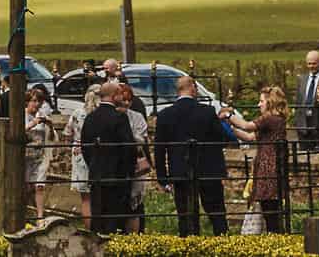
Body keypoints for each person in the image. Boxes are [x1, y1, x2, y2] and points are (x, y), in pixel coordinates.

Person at [152, 73, 240, 236]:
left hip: (180, 172)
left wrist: (163, 178)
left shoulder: (165, 115)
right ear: (192, 88)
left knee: (185, 217)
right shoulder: (207, 112)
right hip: (208, 171)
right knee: (217, 215)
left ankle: (187, 247)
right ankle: (223, 245)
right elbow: (221, 139)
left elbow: (159, 149)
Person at [79, 81, 137, 235]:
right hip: (117, 176)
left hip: (97, 174)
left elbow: (85, 146)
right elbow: (128, 148)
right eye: (119, 93)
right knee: (115, 218)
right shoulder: (119, 118)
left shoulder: (91, 118)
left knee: (98, 215)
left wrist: (93, 164)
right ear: (113, 95)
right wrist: (128, 173)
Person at [250, 85, 289, 234]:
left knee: (271, 209)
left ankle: (277, 238)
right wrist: (230, 127)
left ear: (270, 102)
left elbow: (248, 126)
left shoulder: (270, 118)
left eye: (261, 101)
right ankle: (276, 237)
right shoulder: (275, 119)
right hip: (268, 167)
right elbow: (249, 136)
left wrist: (229, 115)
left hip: (269, 168)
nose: (259, 104)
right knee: (270, 210)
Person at [120, 81, 152, 231]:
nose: (126, 103)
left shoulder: (137, 117)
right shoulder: (113, 116)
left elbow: (141, 139)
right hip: (118, 164)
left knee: (135, 203)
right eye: (123, 99)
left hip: (135, 163)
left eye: (129, 100)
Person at [68, 83, 100, 226]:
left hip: (79, 152)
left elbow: (68, 133)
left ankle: (88, 228)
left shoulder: (77, 113)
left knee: (85, 198)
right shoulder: (100, 114)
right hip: (97, 151)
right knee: (98, 195)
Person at [23, 84, 56, 218]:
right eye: (34, 101)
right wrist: (33, 124)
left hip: (40, 156)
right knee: (26, 187)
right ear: (28, 101)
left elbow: (52, 138)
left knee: (40, 186)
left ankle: (40, 216)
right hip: (25, 156)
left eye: (39, 102)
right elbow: (18, 132)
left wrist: (50, 126)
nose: (37, 104)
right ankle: (23, 212)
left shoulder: (43, 116)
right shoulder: (22, 115)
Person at [296, 49, 319, 149]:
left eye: (314, 64)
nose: (311, 66)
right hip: (303, 126)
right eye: (309, 64)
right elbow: (298, 102)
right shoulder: (302, 79)